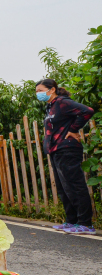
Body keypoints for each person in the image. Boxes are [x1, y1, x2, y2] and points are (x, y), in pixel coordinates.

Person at [37, 79, 96, 234]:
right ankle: (72, 221)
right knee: (64, 187)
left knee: (75, 185)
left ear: (52, 90)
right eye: (36, 91)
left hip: (67, 149)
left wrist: (74, 129)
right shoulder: (51, 107)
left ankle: (86, 223)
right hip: (56, 150)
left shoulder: (63, 102)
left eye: (40, 90)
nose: (38, 94)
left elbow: (87, 111)